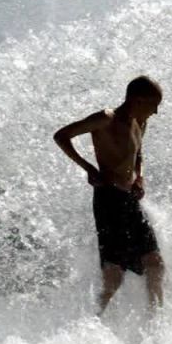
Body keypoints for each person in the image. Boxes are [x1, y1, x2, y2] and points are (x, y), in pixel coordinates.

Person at [53, 76, 165, 315]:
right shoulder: (106, 119)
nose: (155, 112)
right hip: (108, 199)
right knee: (114, 277)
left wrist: (140, 177)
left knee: (155, 264)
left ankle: (157, 322)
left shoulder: (140, 122)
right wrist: (89, 168)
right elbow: (61, 136)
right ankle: (91, 321)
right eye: (154, 104)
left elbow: (138, 153)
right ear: (137, 100)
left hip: (129, 198)